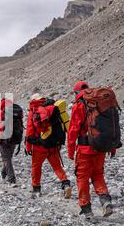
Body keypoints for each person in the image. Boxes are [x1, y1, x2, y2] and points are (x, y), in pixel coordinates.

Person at [68, 81, 115, 218]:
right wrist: (111, 147)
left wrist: (71, 151)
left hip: (84, 149)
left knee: (82, 177)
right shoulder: (100, 103)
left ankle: (86, 208)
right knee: (98, 174)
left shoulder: (79, 106)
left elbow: (73, 130)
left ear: (76, 92)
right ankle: (105, 200)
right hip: (101, 147)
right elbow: (111, 126)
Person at [25, 94, 72, 199]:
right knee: (57, 166)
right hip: (53, 144)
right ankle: (65, 183)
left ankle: (36, 189)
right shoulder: (52, 107)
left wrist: (28, 147)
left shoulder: (34, 110)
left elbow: (30, 130)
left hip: (39, 146)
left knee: (36, 167)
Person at [0, 98, 24, 185]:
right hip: (15, 137)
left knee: (6, 158)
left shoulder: (1, 113)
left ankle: (11, 178)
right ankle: (3, 173)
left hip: (3, 138)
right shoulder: (17, 112)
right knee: (8, 158)